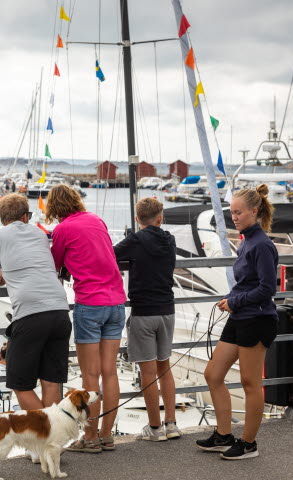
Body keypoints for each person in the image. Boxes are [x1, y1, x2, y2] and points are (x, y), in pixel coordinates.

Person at [196, 184, 278, 460]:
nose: (234, 217)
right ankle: (223, 435)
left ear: (254, 211)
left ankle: (249, 443)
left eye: (238, 212)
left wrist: (235, 301)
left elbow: (268, 289)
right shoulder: (247, 241)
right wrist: (229, 298)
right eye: (232, 212)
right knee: (213, 374)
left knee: (249, 383)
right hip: (240, 316)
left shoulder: (262, 244)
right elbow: (247, 283)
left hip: (258, 319)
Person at [46, 184, 126, 453]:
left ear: (55, 208)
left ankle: (89, 438)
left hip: (90, 304)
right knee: (110, 373)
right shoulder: (96, 220)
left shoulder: (62, 229)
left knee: (90, 376)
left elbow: (53, 264)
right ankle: (107, 435)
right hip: (116, 301)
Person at [0, 194, 71, 411]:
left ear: (3, 216)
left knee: (19, 383)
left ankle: (44, 437)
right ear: (24, 216)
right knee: (50, 381)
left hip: (30, 314)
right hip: (60, 310)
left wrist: (4, 274)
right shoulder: (39, 235)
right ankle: (52, 438)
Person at [114, 197, 181, 441]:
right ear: (160, 218)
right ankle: (171, 424)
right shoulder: (170, 239)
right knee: (165, 367)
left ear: (136, 219)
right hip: (167, 310)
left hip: (143, 312)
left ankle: (154, 428)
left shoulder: (135, 240)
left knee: (148, 372)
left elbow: (111, 254)